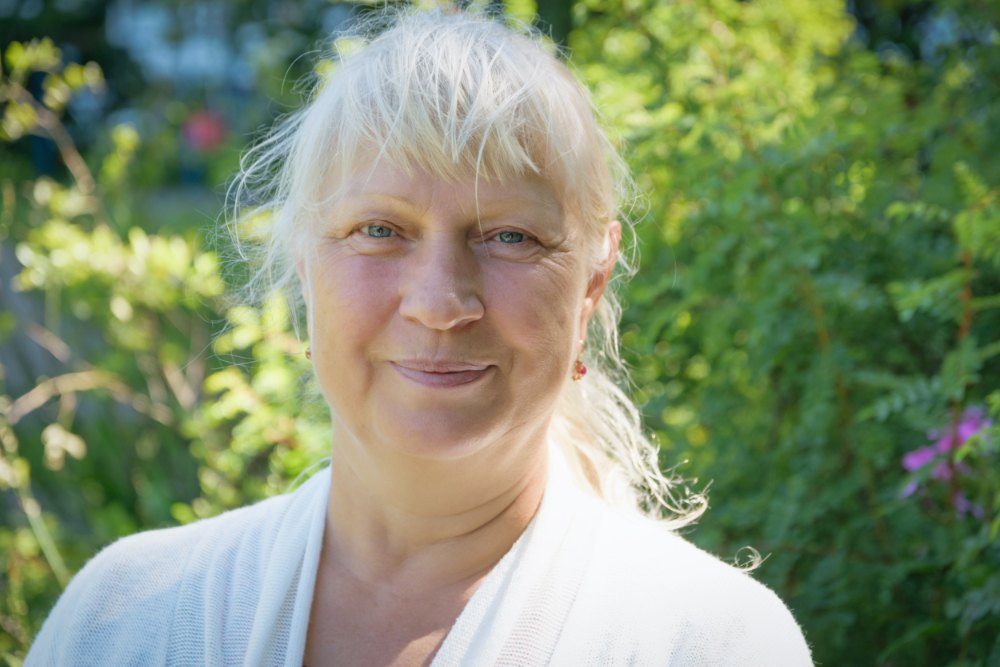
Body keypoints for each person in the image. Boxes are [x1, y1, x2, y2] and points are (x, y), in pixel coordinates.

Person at [27, 7, 813, 666]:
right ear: (305, 268)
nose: (440, 303)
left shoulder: (710, 641)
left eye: (508, 236)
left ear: (591, 282)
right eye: (379, 229)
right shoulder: (122, 620)